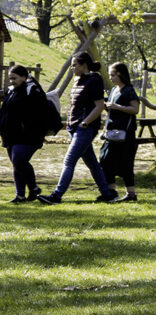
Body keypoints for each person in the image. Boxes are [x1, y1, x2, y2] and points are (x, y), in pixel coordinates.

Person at [38, 52, 118, 204]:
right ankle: (108, 194)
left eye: (75, 64)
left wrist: (85, 123)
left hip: (85, 128)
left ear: (84, 65)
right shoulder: (77, 80)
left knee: (69, 161)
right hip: (73, 128)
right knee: (92, 164)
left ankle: (57, 195)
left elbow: (99, 106)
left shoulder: (94, 79)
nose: (72, 67)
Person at [0, 65, 47, 203]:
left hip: (28, 134)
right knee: (16, 164)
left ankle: (33, 188)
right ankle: (20, 195)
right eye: (10, 78)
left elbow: (40, 111)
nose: (12, 81)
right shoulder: (11, 91)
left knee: (19, 159)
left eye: (14, 78)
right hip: (10, 134)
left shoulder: (32, 90)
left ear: (24, 77)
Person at [99, 62, 141, 202]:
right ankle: (111, 191)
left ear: (121, 74)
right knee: (105, 160)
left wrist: (116, 106)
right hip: (111, 132)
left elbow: (135, 109)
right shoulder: (114, 90)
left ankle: (131, 194)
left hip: (125, 133)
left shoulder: (129, 90)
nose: (110, 78)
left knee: (126, 163)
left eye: (113, 75)